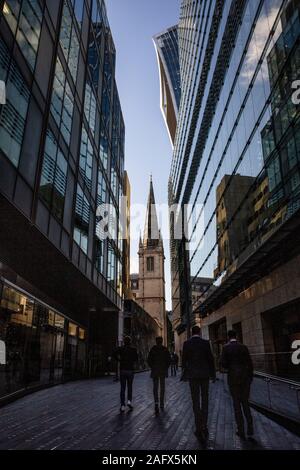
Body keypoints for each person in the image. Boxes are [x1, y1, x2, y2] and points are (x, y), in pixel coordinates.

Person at [182, 326, 216, 444]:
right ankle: (204, 426)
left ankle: (198, 427)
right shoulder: (205, 343)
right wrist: (213, 374)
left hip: (193, 376)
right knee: (205, 399)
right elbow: (210, 359)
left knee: (195, 401)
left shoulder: (187, 343)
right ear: (200, 332)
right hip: (204, 375)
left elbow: (184, 360)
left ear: (191, 332)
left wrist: (185, 374)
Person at [221, 330, 254, 439]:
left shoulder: (226, 348)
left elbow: (223, 363)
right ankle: (250, 428)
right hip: (245, 378)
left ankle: (241, 430)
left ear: (228, 337)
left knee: (236, 405)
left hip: (233, 378)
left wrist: (228, 367)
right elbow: (250, 363)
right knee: (245, 403)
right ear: (236, 335)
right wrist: (250, 378)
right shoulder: (243, 347)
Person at [113, 336, 138, 413]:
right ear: (130, 342)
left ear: (124, 342)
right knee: (130, 387)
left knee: (122, 388)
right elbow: (136, 359)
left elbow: (114, 353)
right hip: (130, 370)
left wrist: (119, 360)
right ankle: (129, 402)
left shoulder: (121, 349)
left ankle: (122, 405)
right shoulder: (133, 349)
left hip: (123, 369)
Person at [147, 337, 171, 415]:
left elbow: (149, 360)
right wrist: (165, 368)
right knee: (162, 387)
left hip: (155, 371)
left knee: (155, 387)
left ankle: (156, 403)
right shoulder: (165, 349)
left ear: (156, 341)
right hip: (162, 371)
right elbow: (169, 360)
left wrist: (152, 367)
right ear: (162, 341)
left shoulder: (153, 349)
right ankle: (161, 403)